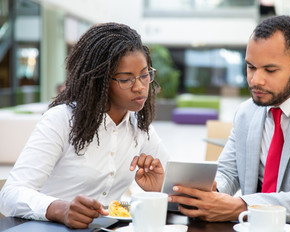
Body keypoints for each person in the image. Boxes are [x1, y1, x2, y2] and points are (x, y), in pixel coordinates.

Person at [169, 15, 290, 231]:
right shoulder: (245, 113)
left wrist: (241, 206)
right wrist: (209, 190)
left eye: (270, 70)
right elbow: (228, 173)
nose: (255, 80)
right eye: (251, 67)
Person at [0, 23, 170, 229]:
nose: (140, 86)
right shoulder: (61, 120)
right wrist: (60, 209)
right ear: (100, 81)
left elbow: (173, 180)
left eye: (144, 75)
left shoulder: (140, 127)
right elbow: (10, 194)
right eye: (126, 79)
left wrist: (161, 186)